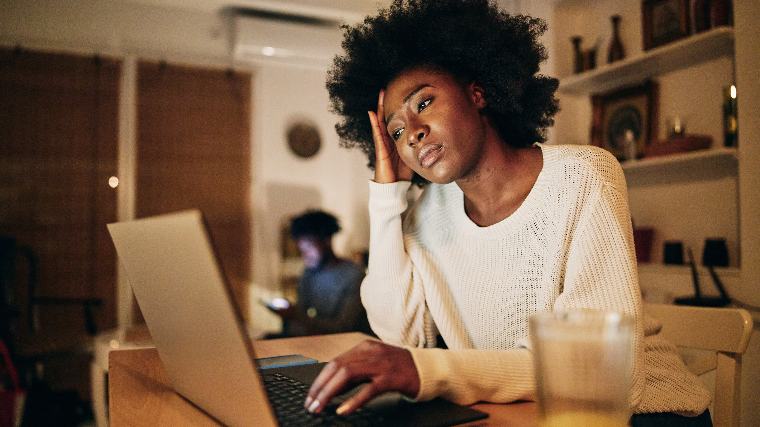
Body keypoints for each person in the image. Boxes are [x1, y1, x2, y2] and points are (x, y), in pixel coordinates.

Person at [304, 1, 712, 425]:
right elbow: (401, 337)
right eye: (397, 131)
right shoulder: (423, 214)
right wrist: (388, 195)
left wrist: (432, 372)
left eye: (423, 103)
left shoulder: (583, 176)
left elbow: (603, 374)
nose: (414, 133)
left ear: (476, 93)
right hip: (518, 413)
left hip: (645, 415)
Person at [266, 210, 369, 337]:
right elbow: (301, 315)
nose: (305, 255)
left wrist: (295, 315)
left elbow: (344, 328)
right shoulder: (308, 273)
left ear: (326, 241)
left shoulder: (353, 275)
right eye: (301, 250)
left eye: (308, 247)